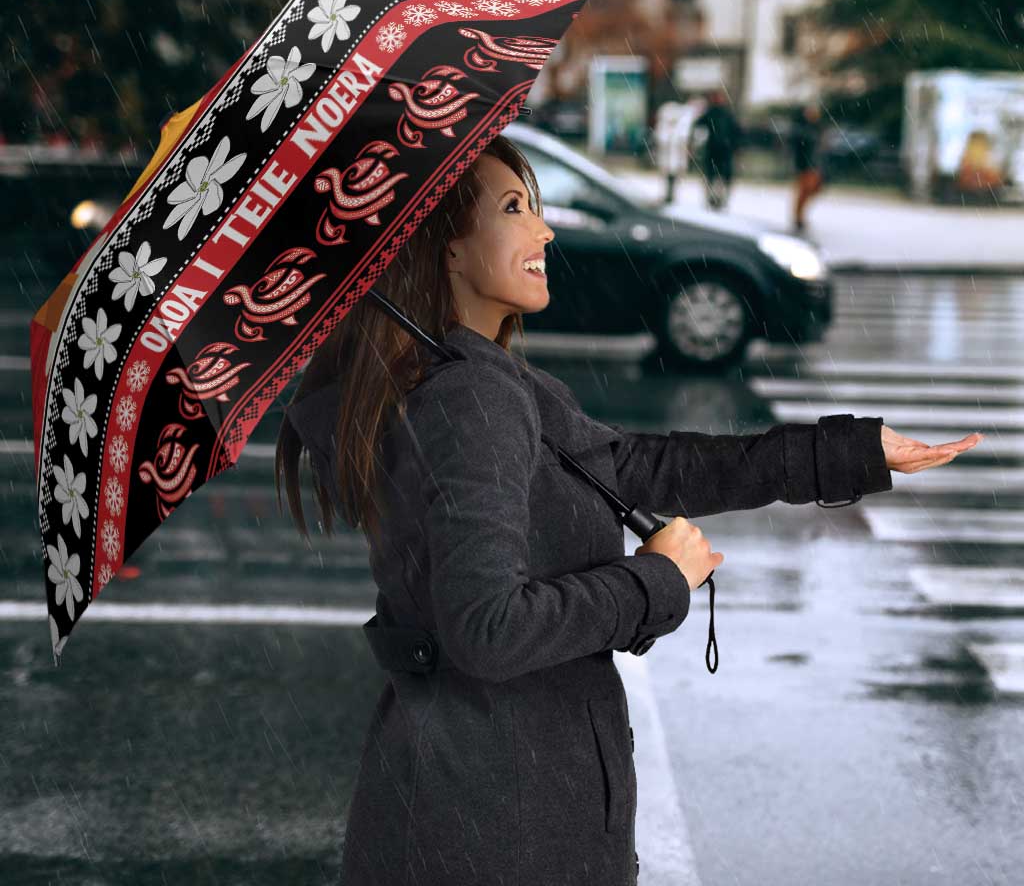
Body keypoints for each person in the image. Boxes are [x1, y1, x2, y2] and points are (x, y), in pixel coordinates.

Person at [275, 133, 971, 886]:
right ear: (444, 247)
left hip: (480, 801)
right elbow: (488, 629)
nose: (544, 230)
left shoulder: (471, 378)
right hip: (501, 824)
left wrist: (850, 453)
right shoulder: (469, 398)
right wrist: (657, 581)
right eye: (515, 208)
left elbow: (637, 467)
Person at [692, 88, 742, 211]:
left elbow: (736, 132)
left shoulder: (725, 114)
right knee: (713, 176)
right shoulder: (712, 113)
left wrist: (735, 146)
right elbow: (698, 126)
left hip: (723, 150)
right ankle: (713, 199)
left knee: (720, 177)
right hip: (715, 150)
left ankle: (719, 199)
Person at [790, 101, 826, 233]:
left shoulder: (817, 128)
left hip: (814, 165)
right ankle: (798, 217)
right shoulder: (802, 129)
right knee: (804, 191)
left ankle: (800, 216)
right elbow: (799, 148)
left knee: (812, 190)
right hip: (805, 165)